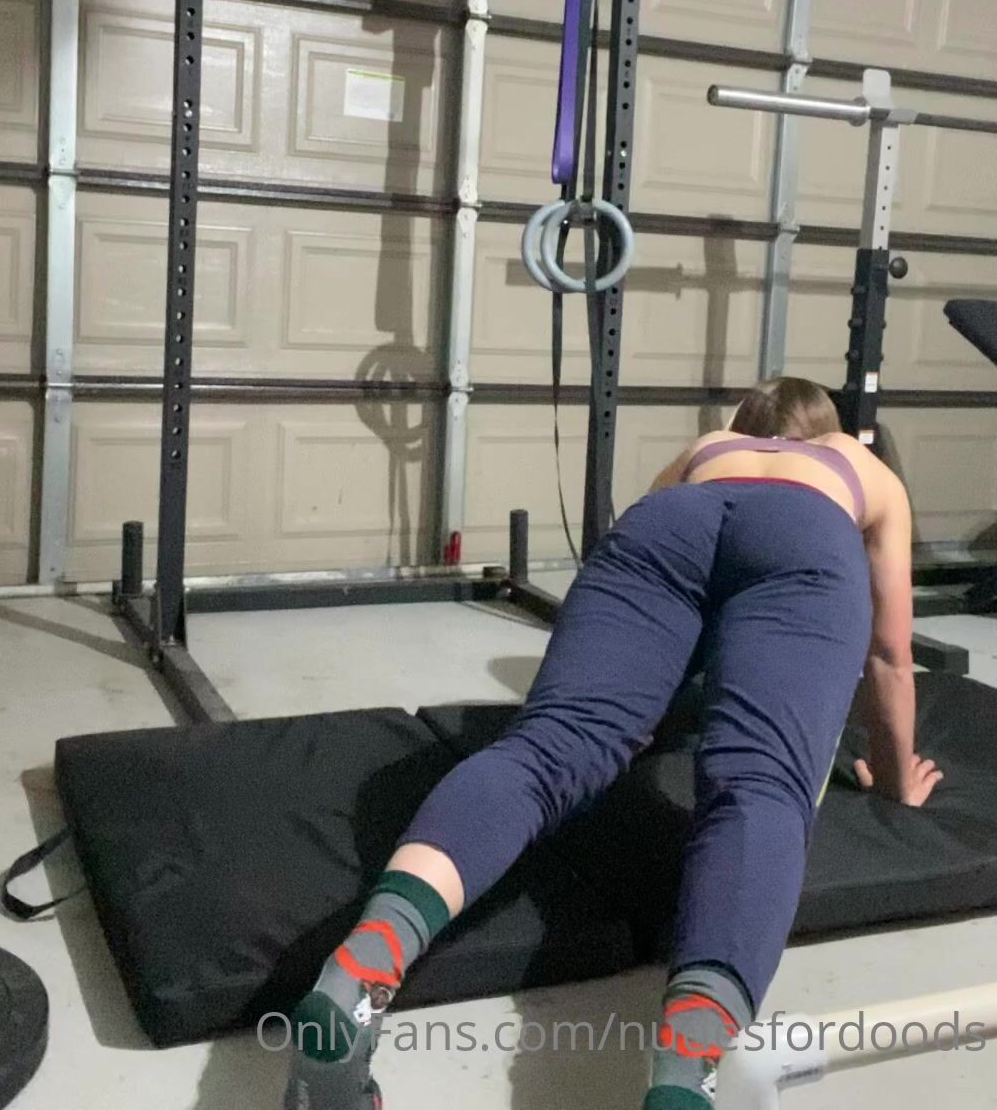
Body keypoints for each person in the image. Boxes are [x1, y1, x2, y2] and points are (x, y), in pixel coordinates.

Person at [282, 376, 942, 1110]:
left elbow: (656, 582)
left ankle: (364, 966)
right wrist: (895, 781)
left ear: (747, 425)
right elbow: (889, 657)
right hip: (806, 538)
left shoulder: (708, 449)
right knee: (760, 786)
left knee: (547, 748)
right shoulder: (860, 464)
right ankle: (684, 1080)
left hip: (667, 527)